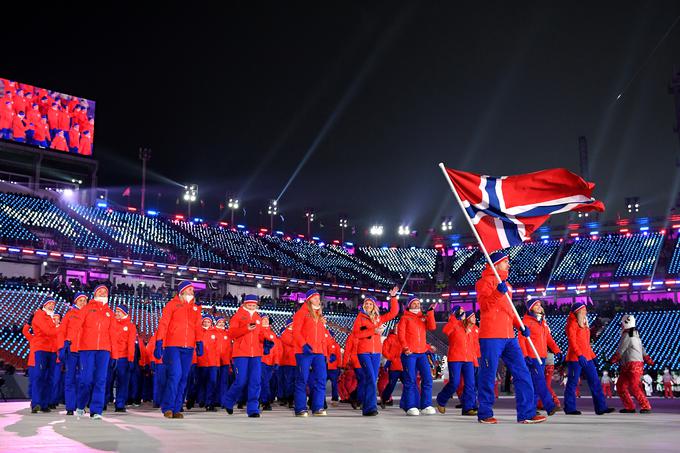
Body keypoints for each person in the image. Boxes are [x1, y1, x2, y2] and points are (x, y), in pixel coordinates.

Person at [475, 251, 544, 424]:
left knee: (522, 372)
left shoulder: (507, 285)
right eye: (506, 262)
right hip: (491, 336)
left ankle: (527, 413)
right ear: (496, 264)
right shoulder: (484, 282)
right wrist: (498, 293)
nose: (509, 265)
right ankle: (484, 413)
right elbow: (484, 306)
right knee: (488, 374)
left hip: (509, 336)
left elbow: (510, 310)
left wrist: (520, 326)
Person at [154, 281, 204, 419]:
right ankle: (168, 407)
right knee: (175, 375)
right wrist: (159, 342)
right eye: (189, 290)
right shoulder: (172, 305)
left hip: (188, 347)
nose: (191, 292)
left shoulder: (195, 308)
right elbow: (163, 323)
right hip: (173, 346)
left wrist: (199, 342)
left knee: (183, 378)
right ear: (181, 291)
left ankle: (176, 408)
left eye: (192, 290)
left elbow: (198, 327)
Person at [351, 286, 400, 416]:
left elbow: (394, 312)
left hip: (376, 352)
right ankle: (371, 408)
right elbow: (356, 334)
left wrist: (394, 298)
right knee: (371, 379)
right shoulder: (360, 318)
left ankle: (367, 407)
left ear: (374, 306)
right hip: (364, 352)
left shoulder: (378, 319)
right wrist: (373, 331)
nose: (368, 305)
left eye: (370, 303)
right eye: (366, 303)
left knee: (372, 379)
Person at [564, 302, 613, 416]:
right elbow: (572, 342)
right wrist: (579, 355)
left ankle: (601, 407)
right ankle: (570, 408)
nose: (586, 311)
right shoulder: (571, 324)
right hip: (575, 358)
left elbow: (586, 343)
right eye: (584, 310)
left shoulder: (584, 324)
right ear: (578, 312)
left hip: (587, 357)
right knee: (572, 383)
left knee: (595, 382)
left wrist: (593, 355)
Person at [223, 294, 267, 417]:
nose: (252, 307)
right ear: (244, 304)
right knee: (241, 381)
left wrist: (266, 341)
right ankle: (228, 400)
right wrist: (246, 328)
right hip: (241, 353)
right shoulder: (238, 316)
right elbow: (231, 333)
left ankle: (253, 409)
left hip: (256, 354)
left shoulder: (258, 317)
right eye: (250, 305)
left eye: (254, 305)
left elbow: (261, 334)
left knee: (255, 381)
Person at [76, 285, 115, 420]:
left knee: (101, 380)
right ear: (95, 293)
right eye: (100, 291)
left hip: (104, 350)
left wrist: (114, 354)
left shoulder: (110, 312)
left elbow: (113, 334)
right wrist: (70, 342)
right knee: (86, 380)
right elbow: (77, 326)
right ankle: (81, 405)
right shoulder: (87, 308)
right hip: (87, 348)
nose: (103, 293)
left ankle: (96, 410)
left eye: (105, 292)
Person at [518, 299, 560, 416]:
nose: (539, 307)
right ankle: (549, 406)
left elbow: (548, 339)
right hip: (533, 357)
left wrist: (557, 350)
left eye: (540, 305)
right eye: (536, 305)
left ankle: (531, 408)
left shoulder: (542, 322)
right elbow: (521, 340)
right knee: (540, 382)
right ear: (530, 308)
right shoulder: (526, 322)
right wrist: (525, 355)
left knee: (536, 383)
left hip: (542, 356)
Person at [398, 295, 437, 416]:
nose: (417, 305)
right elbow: (401, 334)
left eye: (418, 303)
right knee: (410, 380)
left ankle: (426, 405)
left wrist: (430, 312)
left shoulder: (423, 318)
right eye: (414, 303)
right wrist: (405, 347)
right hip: (410, 354)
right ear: (409, 305)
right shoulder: (405, 318)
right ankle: (410, 406)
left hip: (422, 353)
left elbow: (432, 327)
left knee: (428, 379)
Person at [292, 289, 328, 417]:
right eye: (315, 297)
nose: (318, 299)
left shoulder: (320, 315)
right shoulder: (301, 313)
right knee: (302, 379)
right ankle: (300, 408)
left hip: (318, 352)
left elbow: (323, 336)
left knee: (321, 378)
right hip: (304, 351)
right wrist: (303, 345)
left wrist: (325, 352)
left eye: (318, 297)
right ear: (309, 300)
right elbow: (295, 331)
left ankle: (318, 406)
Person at [436, 308, 477, 415]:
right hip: (455, 359)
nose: (463, 313)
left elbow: (473, 347)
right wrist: (455, 318)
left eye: (463, 311)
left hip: (468, 359)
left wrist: (475, 360)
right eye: (460, 311)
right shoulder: (453, 325)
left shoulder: (470, 328)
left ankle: (468, 408)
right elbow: (446, 331)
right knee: (454, 383)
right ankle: (441, 399)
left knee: (470, 384)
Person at [610, 314, 653, 413]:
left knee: (633, 386)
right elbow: (643, 351)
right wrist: (648, 360)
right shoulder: (636, 335)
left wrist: (613, 360)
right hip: (630, 365)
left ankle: (645, 406)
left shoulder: (627, 335)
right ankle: (630, 407)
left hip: (633, 364)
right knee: (622, 385)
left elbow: (621, 350)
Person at [31, 299, 58, 413]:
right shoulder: (39, 315)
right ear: (44, 305)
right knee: (39, 376)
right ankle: (36, 403)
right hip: (42, 349)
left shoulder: (51, 317)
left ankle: (44, 403)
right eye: (50, 303)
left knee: (49, 378)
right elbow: (48, 331)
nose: (52, 305)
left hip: (52, 350)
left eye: (53, 304)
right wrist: (59, 328)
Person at [110, 304, 137, 412]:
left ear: (124, 313)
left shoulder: (130, 326)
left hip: (123, 358)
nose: (116, 314)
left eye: (118, 312)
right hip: (112, 356)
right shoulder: (112, 324)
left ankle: (120, 404)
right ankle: (104, 402)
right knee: (107, 381)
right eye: (116, 311)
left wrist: (130, 359)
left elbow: (131, 344)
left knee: (123, 382)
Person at [196, 315, 219, 411]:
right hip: (201, 362)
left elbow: (217, 349)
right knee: (201, 382)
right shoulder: (198, 332)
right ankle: (201, 400)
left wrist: (217, 363)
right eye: (204, 321)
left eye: (208, 322)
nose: (206, 323)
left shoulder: (215, 332)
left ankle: (209, 403)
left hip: (213, 363)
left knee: (212, 382)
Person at [259, 316, 280, 411]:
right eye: (263, 320)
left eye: (267, 320)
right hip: (260, 360)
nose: (266, 321)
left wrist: (276, 361)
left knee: (266, 381)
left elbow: (276, 350)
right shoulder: (258, 332)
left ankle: (263, 400)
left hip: (269, 362)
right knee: (263, 381)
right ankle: (264, 401)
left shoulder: (272, 334)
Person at [380, 326, 404, 409]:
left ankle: (408, 402)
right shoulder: (389, 339)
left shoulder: (404, 337)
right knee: (391, 384)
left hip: (403, 365)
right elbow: (384, 351)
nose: (398, 328)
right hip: (394, 366)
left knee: (409, 384)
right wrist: (392, 358)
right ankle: (384, 398)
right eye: (396, 327)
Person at [277, 317, 296, 407]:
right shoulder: (285, 334)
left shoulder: (294, 333)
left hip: (296, 361)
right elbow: (293, 342)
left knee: (293, 381)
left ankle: (291, 398)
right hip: (288, 361)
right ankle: (288, 398)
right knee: (288, 381)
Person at [326, 330, 342, 407]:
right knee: (323, 384)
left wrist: (339, 366)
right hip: (327, 367)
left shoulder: (336, 345)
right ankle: (322, 399)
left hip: (333, 368)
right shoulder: (325, 344)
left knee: (334, 384)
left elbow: (338, 356)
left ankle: (335, 398)